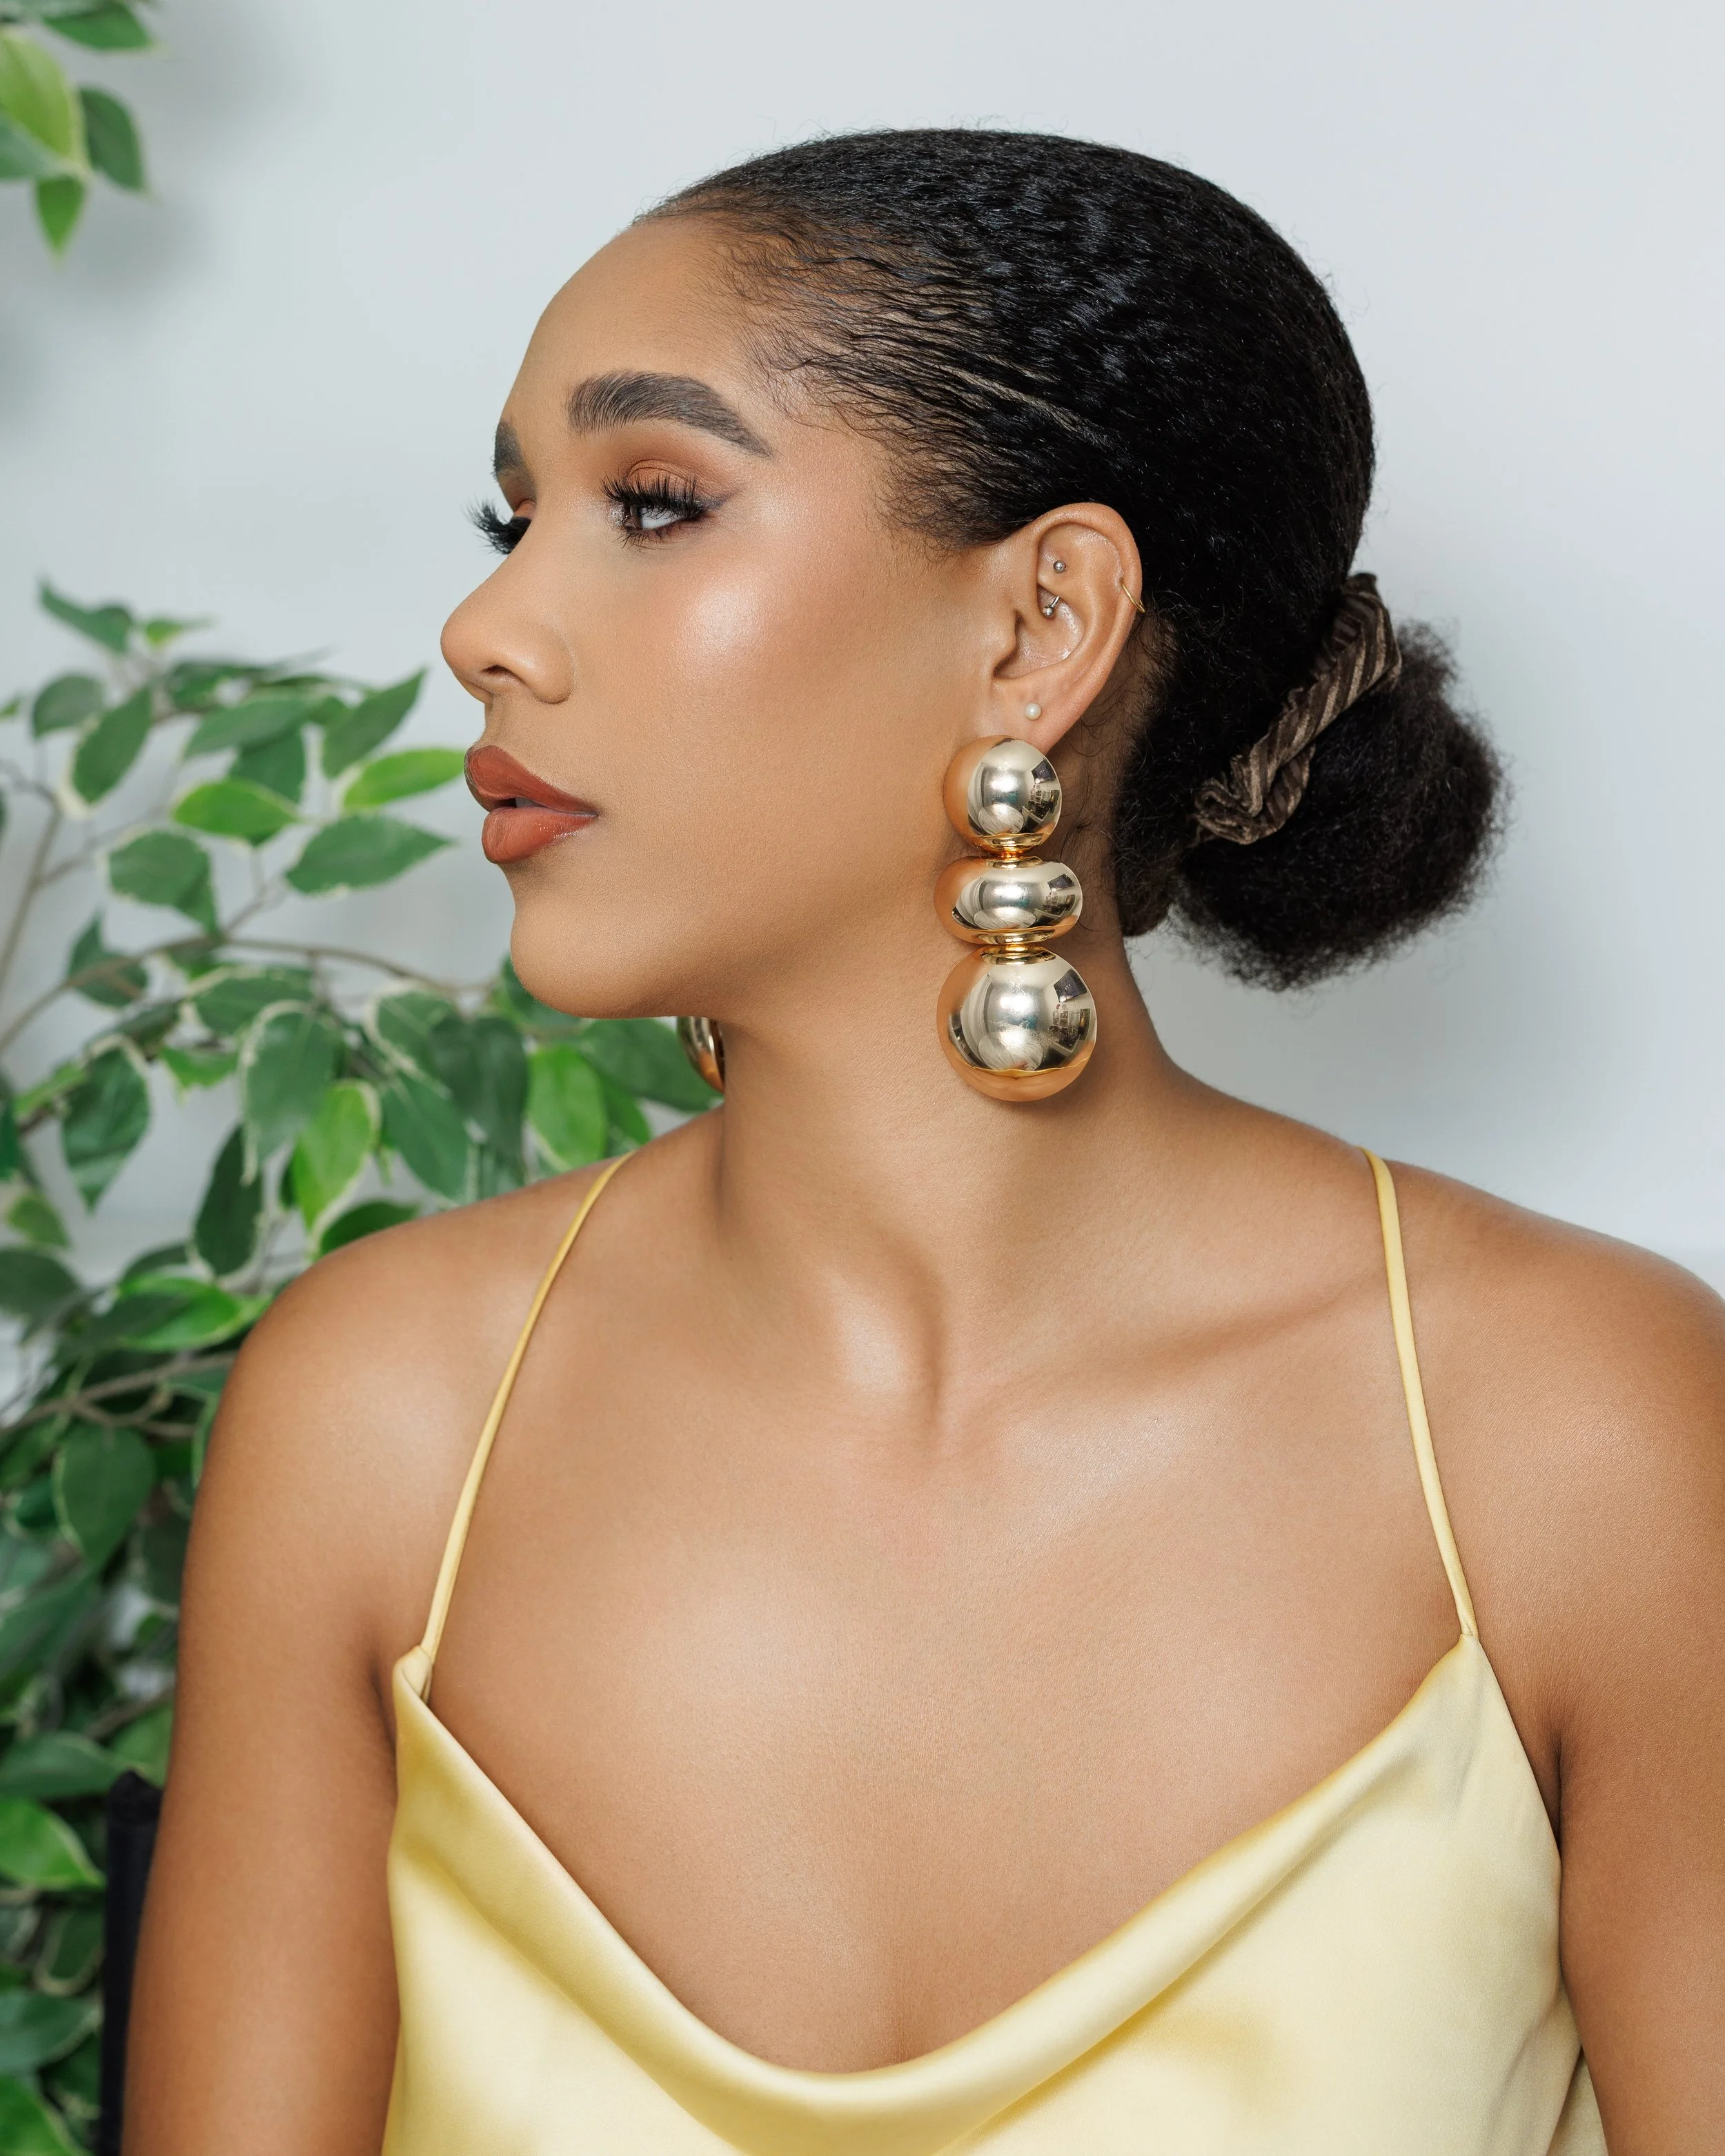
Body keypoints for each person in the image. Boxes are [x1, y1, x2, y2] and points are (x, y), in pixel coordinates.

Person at [126, 130, 1724, 2155]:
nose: (485, 627)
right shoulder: (377, 1412)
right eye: (512, 513)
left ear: (1039, 623)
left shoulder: (1574, 1430)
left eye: (651, 503)